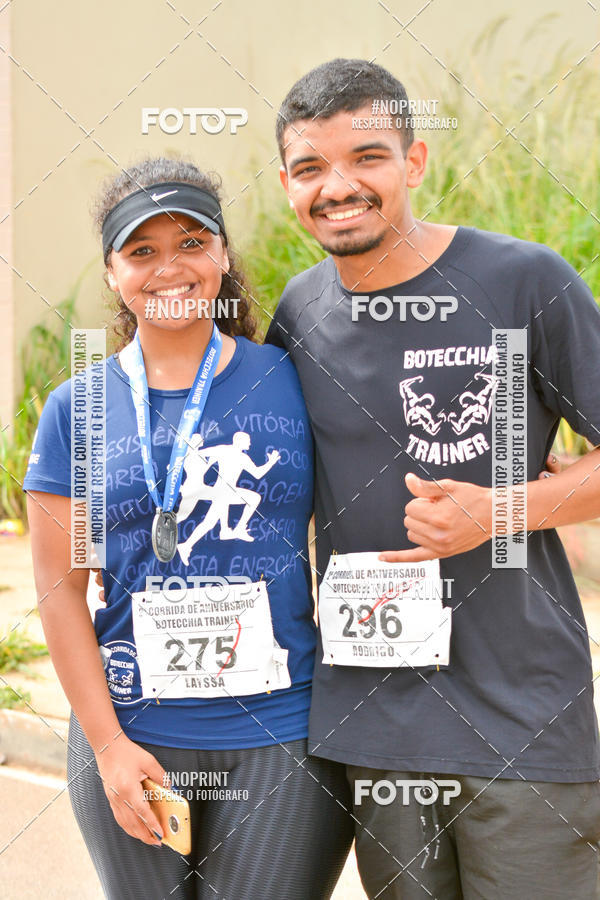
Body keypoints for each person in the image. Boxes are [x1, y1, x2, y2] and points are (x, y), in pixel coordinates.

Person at [266, 58, 600, 898]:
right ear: (286, 185)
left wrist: (504, 510)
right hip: (377, 723)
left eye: (367, 158)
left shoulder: (525, 281)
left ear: (414, 163)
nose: (338, 186)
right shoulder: (298, 315)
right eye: (311, 168)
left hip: (524, 717)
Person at [24, 157, 353, 900]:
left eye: (191, 243)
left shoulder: (290, 377)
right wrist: (108, 745)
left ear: (223, 256)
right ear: (112, 272)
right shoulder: (77, 411)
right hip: (134, 728)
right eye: (142, 251)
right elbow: (60, 589)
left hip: (282, 734)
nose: (169, 269)